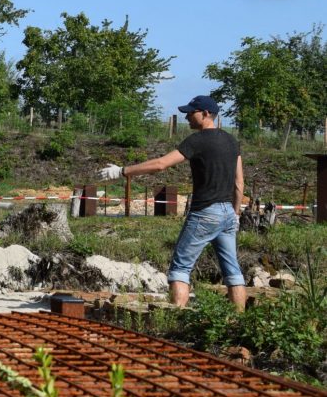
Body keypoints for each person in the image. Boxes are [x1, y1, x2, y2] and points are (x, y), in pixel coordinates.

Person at [97, 95, 246, 311]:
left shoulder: (197, 140)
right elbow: (239, 182)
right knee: (233, 271)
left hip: (205, 212)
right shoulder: (232, 141)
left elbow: (161, 164)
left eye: (191, 113)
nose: (186, 117)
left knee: (181, 268)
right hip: (228, 214)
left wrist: (122, 171)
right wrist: (236, 214)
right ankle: (239, 320)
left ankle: (176, 316)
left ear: (205, 114)